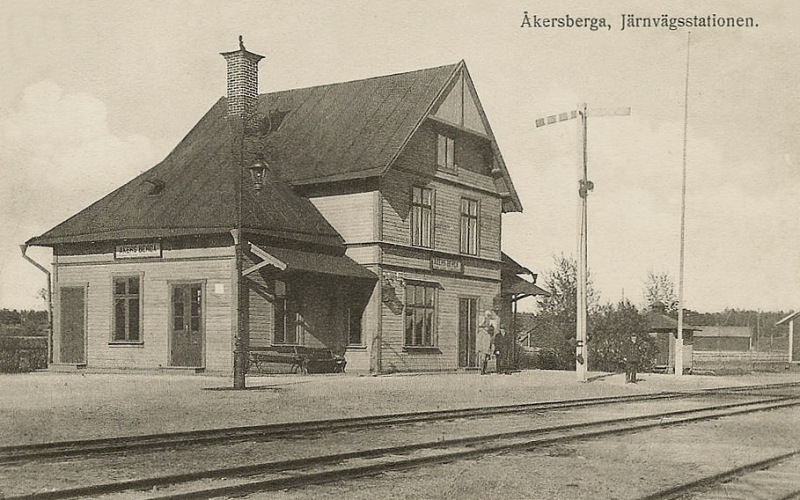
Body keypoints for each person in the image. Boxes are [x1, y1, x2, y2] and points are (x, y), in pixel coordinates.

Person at [477, 310, 498, 374]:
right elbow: (479, 341)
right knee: (482, 359)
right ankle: (482, 370)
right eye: (485, 327)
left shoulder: (489, 335)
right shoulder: (481, 333)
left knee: (486, 359)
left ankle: (485, 370)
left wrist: (491, 348)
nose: (487, 328)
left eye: (487, 327)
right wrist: (479, 348)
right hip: (483, 349)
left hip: (487, 349)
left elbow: (491, 342)